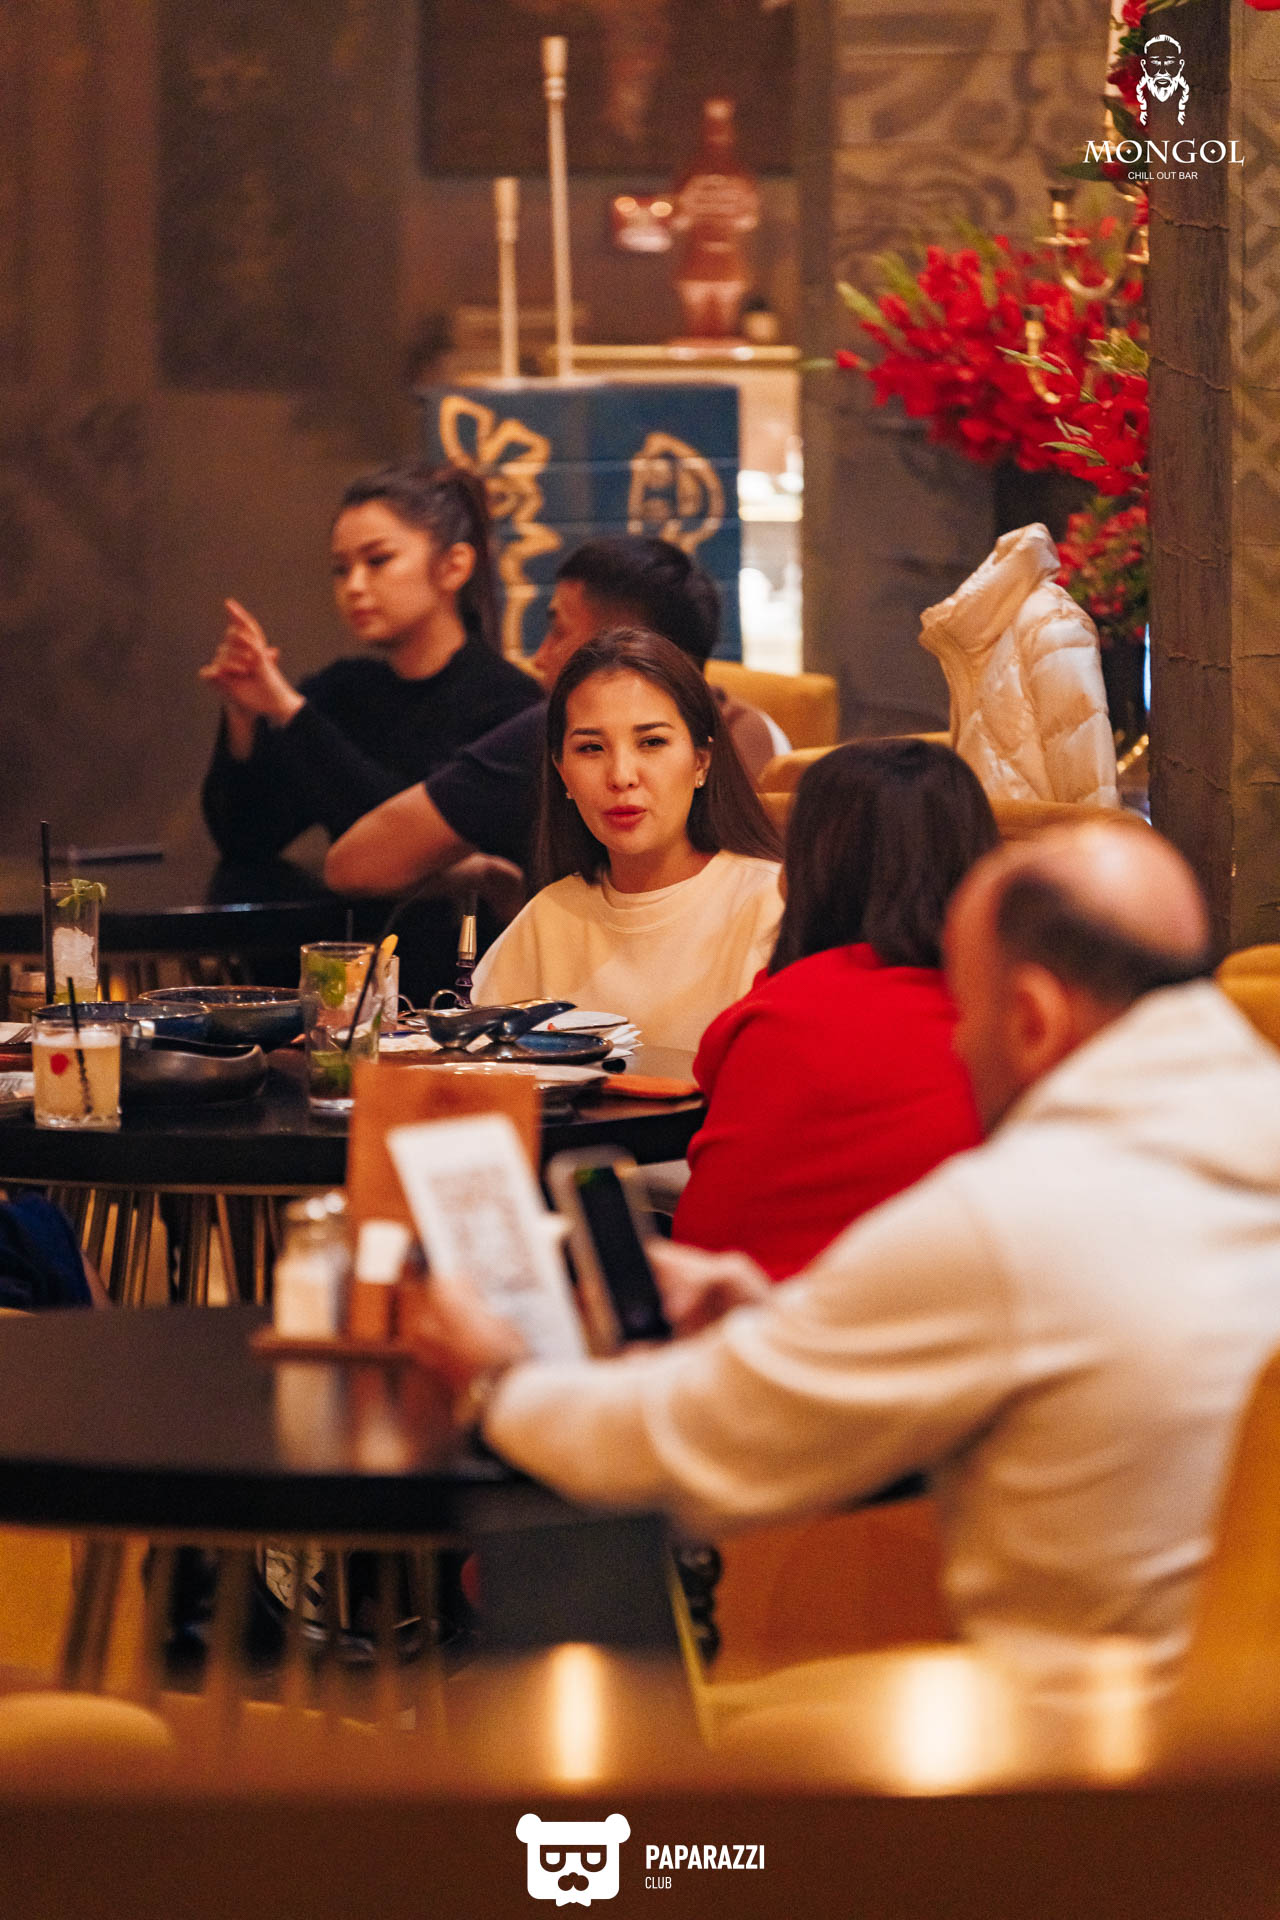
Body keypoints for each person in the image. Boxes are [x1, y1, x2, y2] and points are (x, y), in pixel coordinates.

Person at [410, 819, 1280, 1693]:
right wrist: (780, 1316)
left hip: (1069, 1743)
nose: (959, 1043)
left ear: (1032, 1017)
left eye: (968, 1010)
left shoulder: (1013, 1219)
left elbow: (685, 1449)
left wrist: (497, 1382)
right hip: (1234, 1736)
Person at [673, 740, 997, 1279]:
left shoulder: (775, 1015)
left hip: (750, 1309)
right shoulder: (1008, 1019)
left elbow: (707, 1236)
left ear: (810, 870)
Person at [322, 537, 784, 900]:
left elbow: (355, 866)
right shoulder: (760, 725)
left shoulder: (554, 731)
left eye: (559, 630)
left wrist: (482, 875)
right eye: (592, 749)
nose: (540, 657)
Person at [199, 463, 542, 864]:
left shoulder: (510, 705)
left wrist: (290, 711)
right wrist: (243, 716)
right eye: (341, 569)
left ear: (454, 567)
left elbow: (405, 842)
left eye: (377, 560)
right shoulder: (341, 692)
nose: (354, 586)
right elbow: (244, 838)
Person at [471, 630, 782, 1052]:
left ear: (701, 762)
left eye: (651, 742)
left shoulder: (770, 906)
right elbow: (481, 1071)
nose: (621, 776)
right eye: (591, 748)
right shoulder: (550, 917)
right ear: (562, 773)